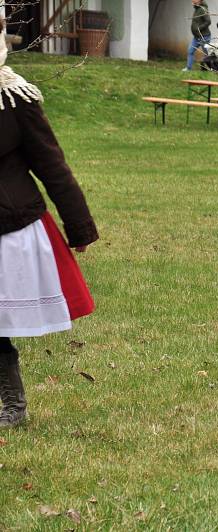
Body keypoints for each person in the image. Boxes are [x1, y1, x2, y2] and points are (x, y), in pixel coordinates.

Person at [0, 18, 99, 428]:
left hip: (9, 225)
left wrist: (79, 227)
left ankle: (12, 405)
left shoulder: (15, 98)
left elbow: (52, 166)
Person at [183, 0, 212, 72]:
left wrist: (199, 28)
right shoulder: (197, 9)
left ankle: (211, 69)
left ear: (199, 0)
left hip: (204, 36)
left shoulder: (203, 9)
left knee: (206, 54)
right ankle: (188, 68)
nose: (192, 0)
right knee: (190, 51)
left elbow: (208, 21)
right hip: (196, 37)